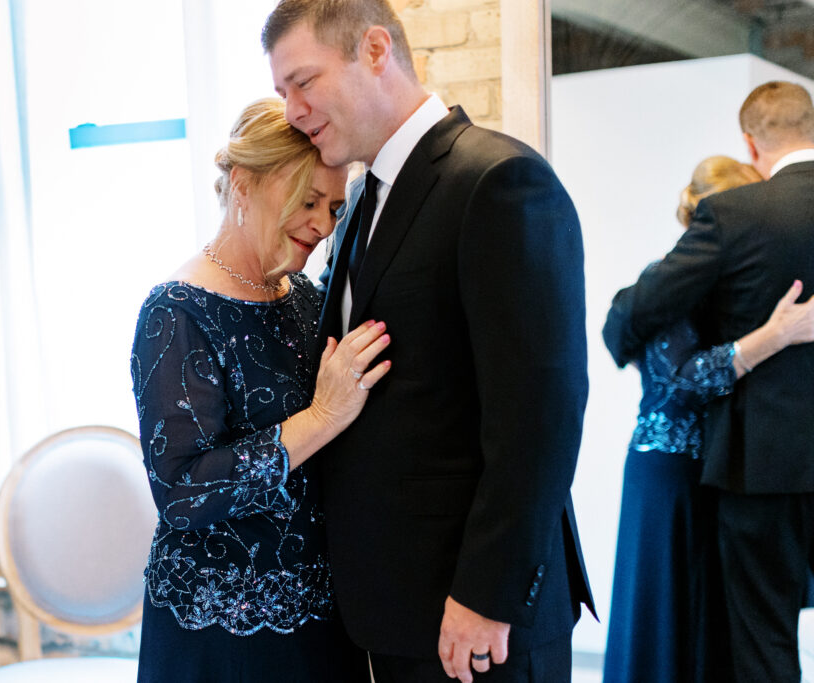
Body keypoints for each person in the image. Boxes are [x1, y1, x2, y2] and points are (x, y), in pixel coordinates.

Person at [263, 3, 593, 681]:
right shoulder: (360, 201)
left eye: (304, 81)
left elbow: (540, 414)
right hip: (391, 608)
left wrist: (485, 593)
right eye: (280, 93)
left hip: (475, 618)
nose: (292, 110)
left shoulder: (496, 181)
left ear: (376, 49)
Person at [130, 97, 390, 682]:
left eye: (333, 207)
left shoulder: (302, 298)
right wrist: (322, 416)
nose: (324, 226)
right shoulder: (175, 312)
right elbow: (180, 491)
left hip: (322, 624)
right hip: (221, 638)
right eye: (307, 201)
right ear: (244, 183)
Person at [602, 81, 814, 681]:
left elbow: (629, 319)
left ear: (753, 144)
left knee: (762, 641)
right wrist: (769, 337)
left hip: (760, 465)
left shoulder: (743, 218)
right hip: (694, 467)